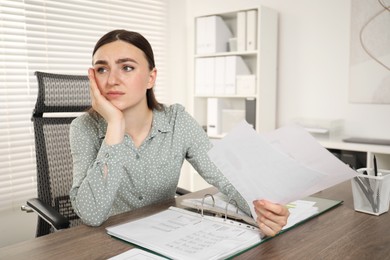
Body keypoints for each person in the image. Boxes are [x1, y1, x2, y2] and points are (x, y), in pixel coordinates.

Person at [69, 29, 289, 236]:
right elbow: (91, 214)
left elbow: (226, 178)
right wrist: (115, 124)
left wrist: (260, 209)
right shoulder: (84, 127)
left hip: (164, 235)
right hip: (106, 242)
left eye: (126, 67)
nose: (111, 80)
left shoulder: (177, 121)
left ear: (151, 77)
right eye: (101, 69)